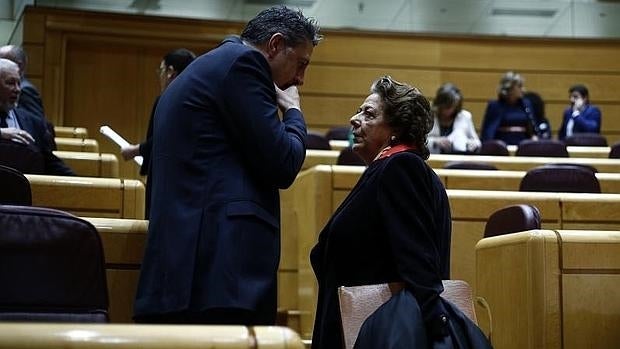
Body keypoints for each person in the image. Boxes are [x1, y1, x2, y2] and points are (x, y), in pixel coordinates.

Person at [133, 6, 321, 325]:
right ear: (275, 45)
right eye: (300, 64)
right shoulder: (243, 65)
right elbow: (283, 163)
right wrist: (293, 113)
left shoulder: (209, 67)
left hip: (184, 269)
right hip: (219, 275)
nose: (300, 80)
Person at [310, 76, 490, 348]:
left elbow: (417, 258)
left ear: (396, 129)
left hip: (384, 334)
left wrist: (434, 325)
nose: (354, 119)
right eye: (359, 111)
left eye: (368, 113)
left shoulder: (401, 167)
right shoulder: (386, 170)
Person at [120, 48, 196, 218]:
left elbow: (165, 136)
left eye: (161, 70)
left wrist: (137, 149)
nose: (159, 75)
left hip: (165, 179)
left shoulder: (170, 98)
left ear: (170, 72)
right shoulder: (192, 98)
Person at [0, 58, 74, 175]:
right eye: (10, 83)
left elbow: (49, 162)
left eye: (19, 83)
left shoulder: (33, 122)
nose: (18, 89)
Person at [0, 45, 57, 150]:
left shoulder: (26, 91)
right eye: (10, 83)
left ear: (19, 65)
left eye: (2, 59)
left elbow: (39, 127)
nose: (17, 89)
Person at [480, 71, 543, 145]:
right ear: (509, 88)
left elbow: (533, 129)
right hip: (502, 147)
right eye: (519, 86)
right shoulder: (495, 106)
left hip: (523, 146)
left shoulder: (526, 104)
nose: (523, 90)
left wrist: (534, 138)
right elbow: (488, 133)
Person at [427, 83, 481, 153]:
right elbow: (420, 143)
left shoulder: (465, 116)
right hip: (434, 158)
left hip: (460, 158)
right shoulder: (429, 116)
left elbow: (477, 142)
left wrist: (472, 144)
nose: (450, 110)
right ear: (439, 104)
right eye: (447, 107)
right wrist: (435, 142)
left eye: (453, 107)